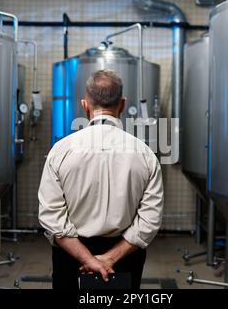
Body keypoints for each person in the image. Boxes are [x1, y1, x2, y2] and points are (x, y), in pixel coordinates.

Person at [38, 69, 164, 289]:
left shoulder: (60, 151)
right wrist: (109, 259)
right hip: (125, 256)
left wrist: (89, 260)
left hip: (71, 256)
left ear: (84, 105)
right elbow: (149, 220)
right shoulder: (145, 154)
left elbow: (52, 218)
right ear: (122, 104)